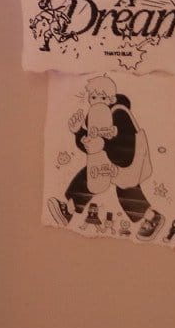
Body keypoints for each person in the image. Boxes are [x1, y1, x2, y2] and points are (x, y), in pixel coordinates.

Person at [47, 75, 160, 238]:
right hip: (110, 162)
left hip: (129, 161)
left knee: (125, 188)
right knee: (90, 175)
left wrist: (104, 144)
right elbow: (91, 147)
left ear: (111, 98)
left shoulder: (119, 113)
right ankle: (69, 209)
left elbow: (126, 142)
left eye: (102, 97)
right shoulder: (95, 117)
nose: (96, 100)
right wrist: (79, 132)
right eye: (93, 97)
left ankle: (152, 218)